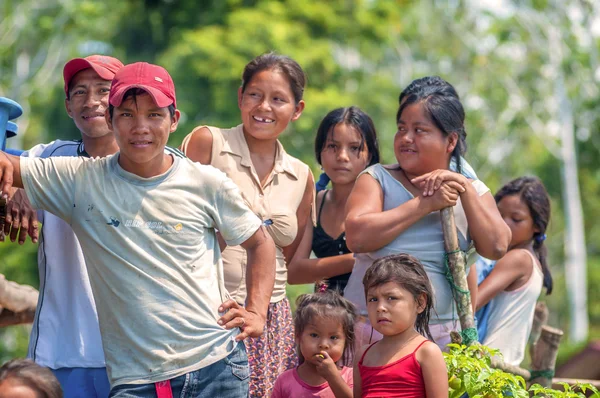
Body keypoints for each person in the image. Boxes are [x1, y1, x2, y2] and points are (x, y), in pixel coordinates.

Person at [0, 61, 276, 397]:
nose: (140, 127)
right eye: (128, 115)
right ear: (112, 120)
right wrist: (16, 187)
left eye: (154, 114)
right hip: (135, 380)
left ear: (174, 121)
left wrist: (257, 312)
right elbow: (10, 166)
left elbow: (260, 243)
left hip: (216, 366)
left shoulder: (206, 182)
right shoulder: (81, 180)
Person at [180, 52, 314, 397]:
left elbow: (288, 254)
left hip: (270, 320)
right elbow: (175, 222)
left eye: (278, 99)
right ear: (240, 97)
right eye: (255, 95)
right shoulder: (208, 142)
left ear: (297, 110)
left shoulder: (301, 175)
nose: (264, 107)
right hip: (207, 311)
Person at [344, 77, 512, 350]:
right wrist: (423, 205)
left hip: (444, 339)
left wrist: (463, 189)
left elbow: (496, 246)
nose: (406, 138)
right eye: (401, 128)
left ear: (450, 141)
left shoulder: (471, 188)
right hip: (372, 335)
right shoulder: (376, 178)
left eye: (419, 130)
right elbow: (357, 236)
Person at [2, 54, 125, 398]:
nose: (92, 101)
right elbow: (8, 167)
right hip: (61, 353)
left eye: (104, 90)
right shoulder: (48, 158)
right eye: (80, 92)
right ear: (68, 106)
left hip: (135, 354)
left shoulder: (149, 167)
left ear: (122, 100)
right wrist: (19, 184)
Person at [288, 106, 380, 294]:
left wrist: (318, 268)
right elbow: (293, 272)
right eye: (332, 146)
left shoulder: (382, 202)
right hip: (324, 317)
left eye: (354, 148)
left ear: (369, 156)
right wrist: (358, 259)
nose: (342, 157)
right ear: (319, 152)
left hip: (371, 316)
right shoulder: (313, 202)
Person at [476, 176, 552, 366]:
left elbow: (470, 303)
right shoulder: (532, 261)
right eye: (499, 215)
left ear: (536, 226)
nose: (504, 223)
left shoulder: (518, 258)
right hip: (505, 370)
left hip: (488, 372)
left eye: (516, 219)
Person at [354, 254, 448, 398]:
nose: (380, 307)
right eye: (373, 299)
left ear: (420, 302)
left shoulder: (426, 353)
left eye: (392, 298)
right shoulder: (363, 355)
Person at [271, 291, 356, 398]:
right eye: (314, 335)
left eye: (333, 337)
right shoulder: (285, 381)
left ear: (346, 342)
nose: (323, 345)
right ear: (298, 336)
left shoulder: (350, 377)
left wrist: (333, 377)